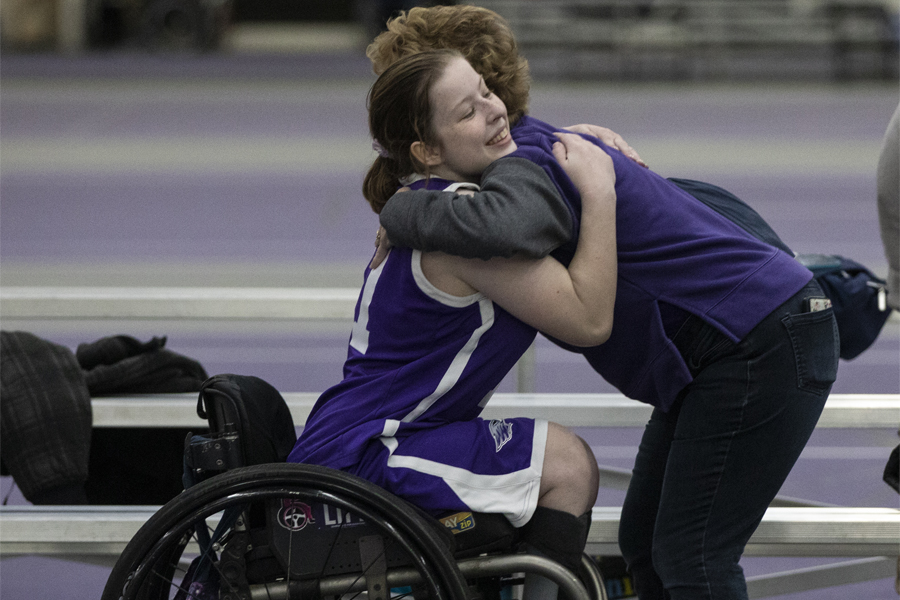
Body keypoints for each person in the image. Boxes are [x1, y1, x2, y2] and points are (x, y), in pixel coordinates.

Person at [366, 6, 840, 599]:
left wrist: (404, 209)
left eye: (476, 94)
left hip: (752, 344)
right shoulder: (537, 144)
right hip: (733, 343)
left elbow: (512, 230)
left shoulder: (525, 167)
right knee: (646, 546)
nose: (483, 108)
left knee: (693, 559)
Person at [289, 49, 619, 578]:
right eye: (466, 112)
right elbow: (589, 320)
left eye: (487, 91)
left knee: (555, 463)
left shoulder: (434, 207)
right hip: (371, 449)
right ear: (425, 151)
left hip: (382, 432)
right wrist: (600, 192)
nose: (492, 110)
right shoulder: (459, 227)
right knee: (566, 465)